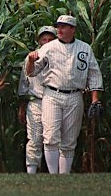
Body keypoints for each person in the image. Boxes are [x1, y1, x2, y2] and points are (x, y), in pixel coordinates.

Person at [27, 15, 103, 174]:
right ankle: (54, 175)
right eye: (58, 26)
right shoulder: (48, 47)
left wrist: (95, 99)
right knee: (50, 137)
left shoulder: (84, 48)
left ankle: (65, 176)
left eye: (64, 26)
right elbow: (32, 73)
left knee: (69, 141)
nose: (59, 29)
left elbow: (94, 74)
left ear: (73, 29)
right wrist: (31, 61)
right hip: (52, 94)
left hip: (75, 95)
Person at [18, 26, 56, 174]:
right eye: (44, 39)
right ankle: (31, 171)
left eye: (50, 39)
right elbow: (24, 83)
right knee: (34, 138)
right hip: (36, 101)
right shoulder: (31, 58)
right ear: (39, 40)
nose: (46, 42)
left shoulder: (61, 56)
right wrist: (22, 105)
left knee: (53, 138)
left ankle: (56, 173)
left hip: (54, 100)